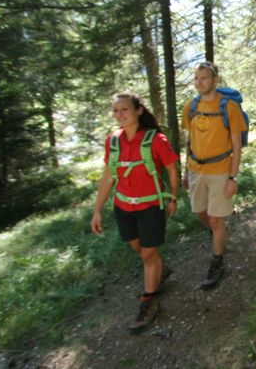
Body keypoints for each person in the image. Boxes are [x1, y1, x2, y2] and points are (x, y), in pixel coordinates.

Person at [91, 93, 179, 335]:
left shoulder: (155, 140)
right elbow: (108, 176)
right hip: (124, 208)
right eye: (116, 111)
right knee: (138, 249)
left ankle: (149, 301)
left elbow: (171, 169)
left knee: (148, 255)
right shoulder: (113, 141)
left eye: (125, 109)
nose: (120, 115)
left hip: (151, 206)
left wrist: (173, 196)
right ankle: (161, 270)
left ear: (138, 110)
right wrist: (97, 210)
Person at [181, 61, 246, 289]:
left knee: (216, 219)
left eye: (204, 78)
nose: (200, 83)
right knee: (202, 214)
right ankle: (217, 236)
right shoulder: (190, 106)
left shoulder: (229, 107)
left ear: (215, 80)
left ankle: (217, 261)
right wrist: (185, 171)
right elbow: (189, 141)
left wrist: (232, 178)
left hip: (220, 171)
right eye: (197, 79)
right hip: (195, 169)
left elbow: (237, 145)